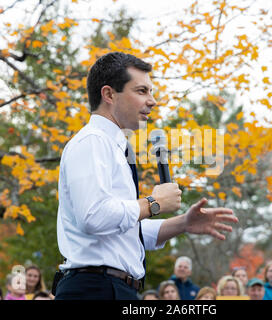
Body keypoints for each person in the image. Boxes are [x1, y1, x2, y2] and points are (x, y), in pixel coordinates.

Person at [54, 52, 238, 300]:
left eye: (151, 92)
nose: (152, 101)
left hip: (115, 289)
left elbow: (126, 232)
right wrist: (152, 203)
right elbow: (94, 216)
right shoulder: (91, 142)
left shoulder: (117, 148)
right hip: (95, 289)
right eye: (142, 91)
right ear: (109, 94)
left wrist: (182, 223)